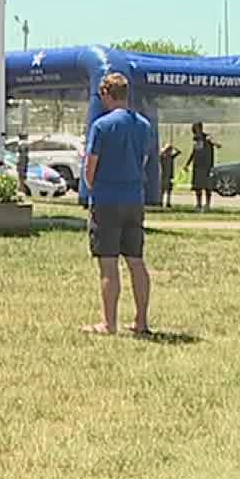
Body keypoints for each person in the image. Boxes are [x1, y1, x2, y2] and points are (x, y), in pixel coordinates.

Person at [82, 73, 153, 336]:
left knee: (108, 263)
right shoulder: (144, 125)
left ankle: (108, 323)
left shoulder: (102, 126)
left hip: (107, 200)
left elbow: (91, 165)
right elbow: (143, 160)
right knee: (136, 260)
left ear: (106, 94)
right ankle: (141, 321)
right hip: (134, 199)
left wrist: (91, 186)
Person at [185, 122, 220, 212]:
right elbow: (194, 152)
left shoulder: (207, 137)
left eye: (197, 128)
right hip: (197, 166)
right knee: (198, 187)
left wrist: (212, 142)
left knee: (207, 186)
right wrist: (187, 164)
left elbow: (218, 145)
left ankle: (207, 204)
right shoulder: (196, 139)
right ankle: (198, 204)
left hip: (207, 166)